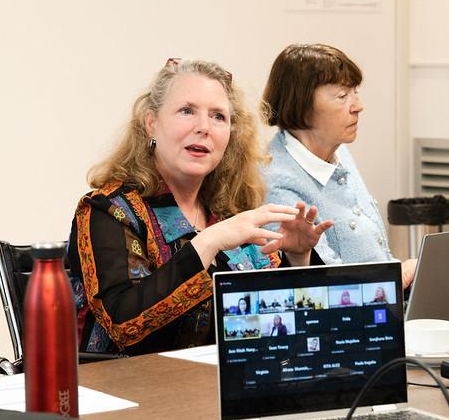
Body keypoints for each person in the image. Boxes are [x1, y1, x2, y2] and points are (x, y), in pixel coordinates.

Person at [68, 59, 332, 355]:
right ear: (151, 122)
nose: (204, 127)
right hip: (132, 391)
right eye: (186, 111)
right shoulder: (109, 210)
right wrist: (208, 241)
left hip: (220, 389)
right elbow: (124, 324)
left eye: (218, 116)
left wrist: (297, 258)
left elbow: (282, 329)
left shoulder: (226, 211)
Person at [262, 44, 416, 288]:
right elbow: (321, 284)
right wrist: (401, 275)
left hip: (385, 302)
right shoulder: (277, 182)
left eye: (354, 93)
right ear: (301, 104)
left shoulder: (338, 150)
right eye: (343, 96)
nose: (358, 106)